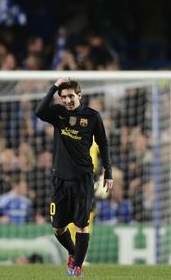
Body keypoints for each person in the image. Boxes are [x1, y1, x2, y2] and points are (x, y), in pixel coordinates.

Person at [35, 78, 113, 278]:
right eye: (64, 97)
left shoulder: (92, 117)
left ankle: (77, 267)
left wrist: (108, 172)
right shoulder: (58, 114)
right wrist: (53, 87)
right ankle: (72, 252)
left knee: (82, 224)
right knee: (58, 227)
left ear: (79, 95)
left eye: (71, 96)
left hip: (83, 180)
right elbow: (38, 111)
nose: (68, 100)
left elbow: (103, 144)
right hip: (60, 180)